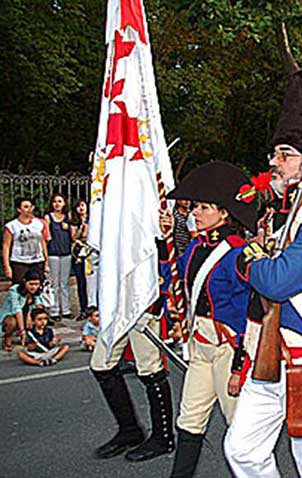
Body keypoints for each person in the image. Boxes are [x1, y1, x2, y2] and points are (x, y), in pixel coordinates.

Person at [225, 70, 302, 478]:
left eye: (285, 155)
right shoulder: (279, 223)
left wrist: (250, 260)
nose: (273, 163)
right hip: (268, 360)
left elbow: (275, 281)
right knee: (242, 451)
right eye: (275, 154)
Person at [163, 162, 257, 478]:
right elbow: (176, 283)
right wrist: (163, 247)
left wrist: (239, 366)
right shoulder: (195, 247)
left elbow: (251, 314)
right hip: (200, 347)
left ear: (224, 213)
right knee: (188, 420)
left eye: (204, 207)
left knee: (238, 430)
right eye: (197, 206)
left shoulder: (239, 253)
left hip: (228, 350)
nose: (196, 212)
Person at [90, 240, 178, 463]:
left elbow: (165, 257)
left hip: (143, 300)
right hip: (117, 300)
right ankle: (129, 430)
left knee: (150, 369)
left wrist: (156, 304)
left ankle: (163, 437)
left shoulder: (148, 210)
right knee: (101, 364)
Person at [3, 197, 48, 284]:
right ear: (19, 209)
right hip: (19, 261)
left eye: (30, 207)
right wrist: (7, 266)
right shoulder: (12, 226)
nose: (29, 210)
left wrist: (46, 261)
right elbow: (6, 246)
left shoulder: (38, 224)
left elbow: (42, 243)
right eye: (26, 207)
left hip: (37, 261)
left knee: (37, 287)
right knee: (19, 288)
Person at [1, 269, 47, 351]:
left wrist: (30, 316)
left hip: (25, 315)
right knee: (12, 322)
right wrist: (22, 331)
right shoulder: (14, 291)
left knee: (39, 313)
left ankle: (37, 336)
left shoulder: (37, 292)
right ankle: (7, 340)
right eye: (31, 284)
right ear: (25, 282)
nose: (34, 287)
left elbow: (38, 306)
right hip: (11, 315)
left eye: (36, 284)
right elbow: (17, 310)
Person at [44, 193, 74, 320]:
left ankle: (66, 309)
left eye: (60, 201)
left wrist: (69, 228)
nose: (57, 204)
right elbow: (45, 237)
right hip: (53, 253)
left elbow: (74, 236)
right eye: (55, 201)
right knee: (54, 283)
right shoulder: (48, 217)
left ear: (64, 203)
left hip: (66, 252)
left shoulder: (68, 217)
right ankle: (54, 310)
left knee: (65, 282)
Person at [70, 199, 93, 319]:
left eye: (83, 205)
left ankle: (94, 307)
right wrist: (81, 227)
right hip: (79, 253)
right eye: (78, 206)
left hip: (91, 252)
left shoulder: (94, 219)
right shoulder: (74, 222)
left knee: (93, 282)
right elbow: (74, 237)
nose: (81, 208)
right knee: (81, 282)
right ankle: (83, 308)